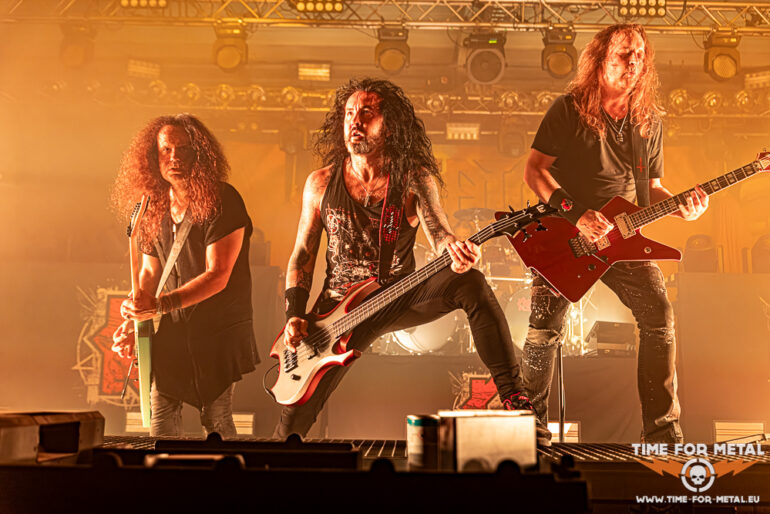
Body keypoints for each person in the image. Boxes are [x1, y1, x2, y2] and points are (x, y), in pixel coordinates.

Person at [275, 78, 531, 438]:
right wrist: (294, 315)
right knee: (293, 421)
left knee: (471, 282)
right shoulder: (320, 183)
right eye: (349, 113)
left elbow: (440, 235)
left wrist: (455, 253)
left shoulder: (412, 178)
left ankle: (515, 397)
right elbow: (302, 255)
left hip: (396, 296)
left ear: (390, 125)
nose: (355, 122)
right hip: (336, 313)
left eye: (367, 113)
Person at [522, 24, 708, 445]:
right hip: (567, 234)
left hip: (623, 238)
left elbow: (651, 188)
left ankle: (662, 433)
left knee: (659, 317)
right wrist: (577, 215)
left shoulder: (648, 122)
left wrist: (683, 205)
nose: (634, 62)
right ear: (601, 60)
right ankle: (528, 426)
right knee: (544, 326)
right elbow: (535, 171)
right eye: (624, 54)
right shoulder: (568, 110)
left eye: (640, 54)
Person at [111, 114, 258, 438]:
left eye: (184, 149)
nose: (174, 157)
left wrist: (159, 306)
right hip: (173, 327)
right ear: (154, 156)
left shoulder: (223, 199)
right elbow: (150, 272)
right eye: (166, 149)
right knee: (161, 418)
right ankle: (163, 472)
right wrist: (136, 319)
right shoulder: (152, 205)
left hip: (217, 329)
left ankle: (227, 471)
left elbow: (218, 274)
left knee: (216, 419)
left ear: (200, 154)